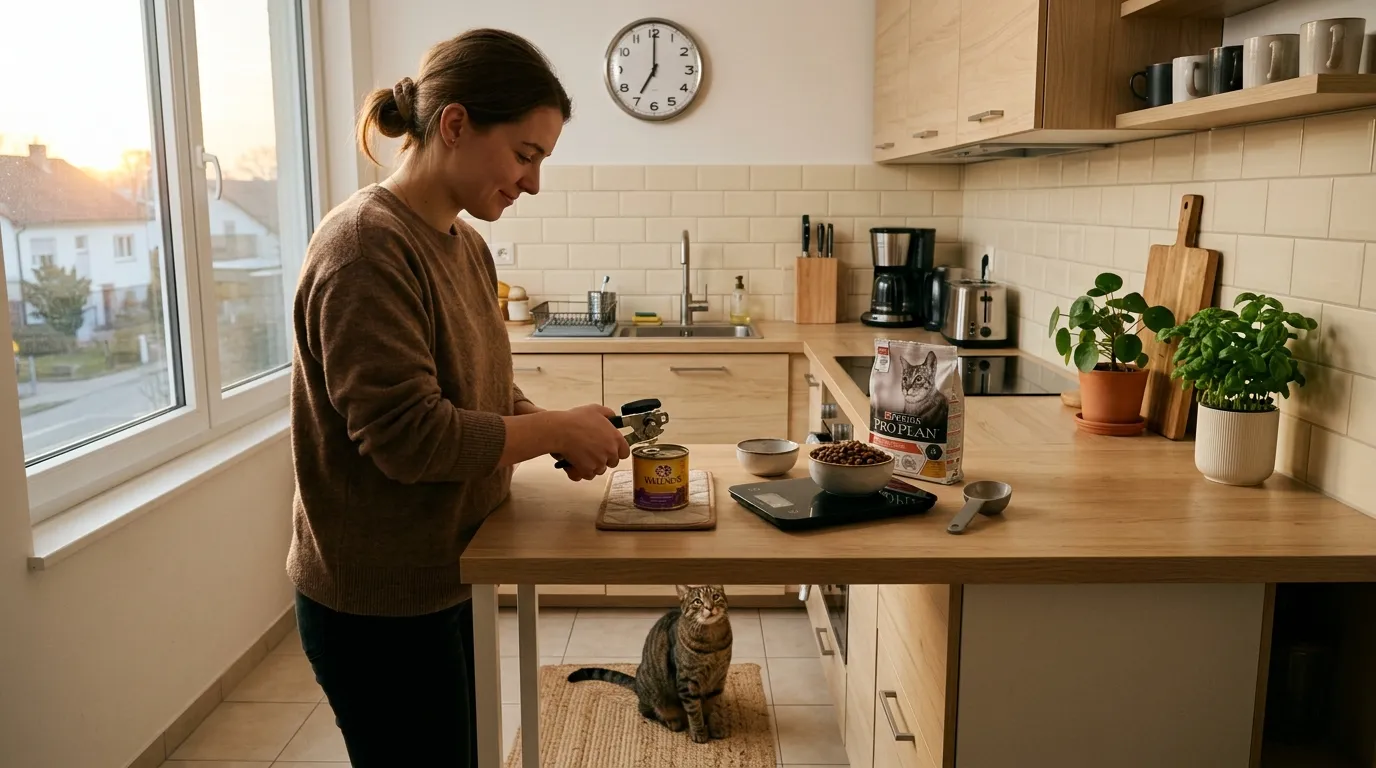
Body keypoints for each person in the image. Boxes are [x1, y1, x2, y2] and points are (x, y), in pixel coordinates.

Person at [286, 28, 629, 766]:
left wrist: (556, 426)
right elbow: (410, 437)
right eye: (525, 154)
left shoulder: (462, 243)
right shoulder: (363, 249)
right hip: (378, 603)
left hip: (449, 571)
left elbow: (482, 389)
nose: (533, 181)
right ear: (454, 125)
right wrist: (553, 432)